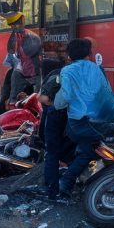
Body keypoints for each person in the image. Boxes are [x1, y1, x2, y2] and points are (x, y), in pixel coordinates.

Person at [54, 38, 114, 198]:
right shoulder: (97, 68)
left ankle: (67, 181)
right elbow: (106, 91)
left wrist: (56, 105)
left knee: (87, 149)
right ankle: (71, 180)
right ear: (89, 54)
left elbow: (65, 97)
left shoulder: (67, 71)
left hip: (78, 123)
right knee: (94, 147)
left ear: (69, 55)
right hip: (99, 120)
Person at [38, 57, 70, 199]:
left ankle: (52, 190)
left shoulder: (53, 75)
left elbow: (42, 98)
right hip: (70, 116)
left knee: (51, 154)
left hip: (54, 115)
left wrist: (55, 105)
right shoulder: (65, 73)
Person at [4, 10, 42, 105]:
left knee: (37, 99)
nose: (13, 27)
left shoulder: (32, 37)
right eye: (12, 25)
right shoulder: (16, 35)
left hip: (35, 71)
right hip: (23, 69)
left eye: (15, 24)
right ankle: (13, 102)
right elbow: (11, 50)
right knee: (15, 76)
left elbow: (29, 52)